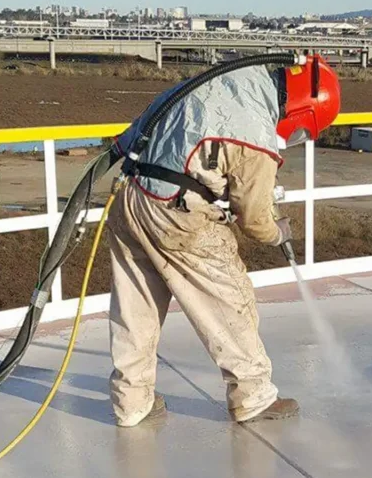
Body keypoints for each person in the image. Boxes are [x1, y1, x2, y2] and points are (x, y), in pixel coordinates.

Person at [107, 55, 341, 427]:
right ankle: (253, 397)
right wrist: (278, 231)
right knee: (231, 298)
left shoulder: (229, 80)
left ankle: (131, 403)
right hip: (177, 215)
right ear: (301, 109)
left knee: (136, 306)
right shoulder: (257, 133)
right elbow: (255, 218)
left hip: (131, 196)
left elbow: (158, 115)